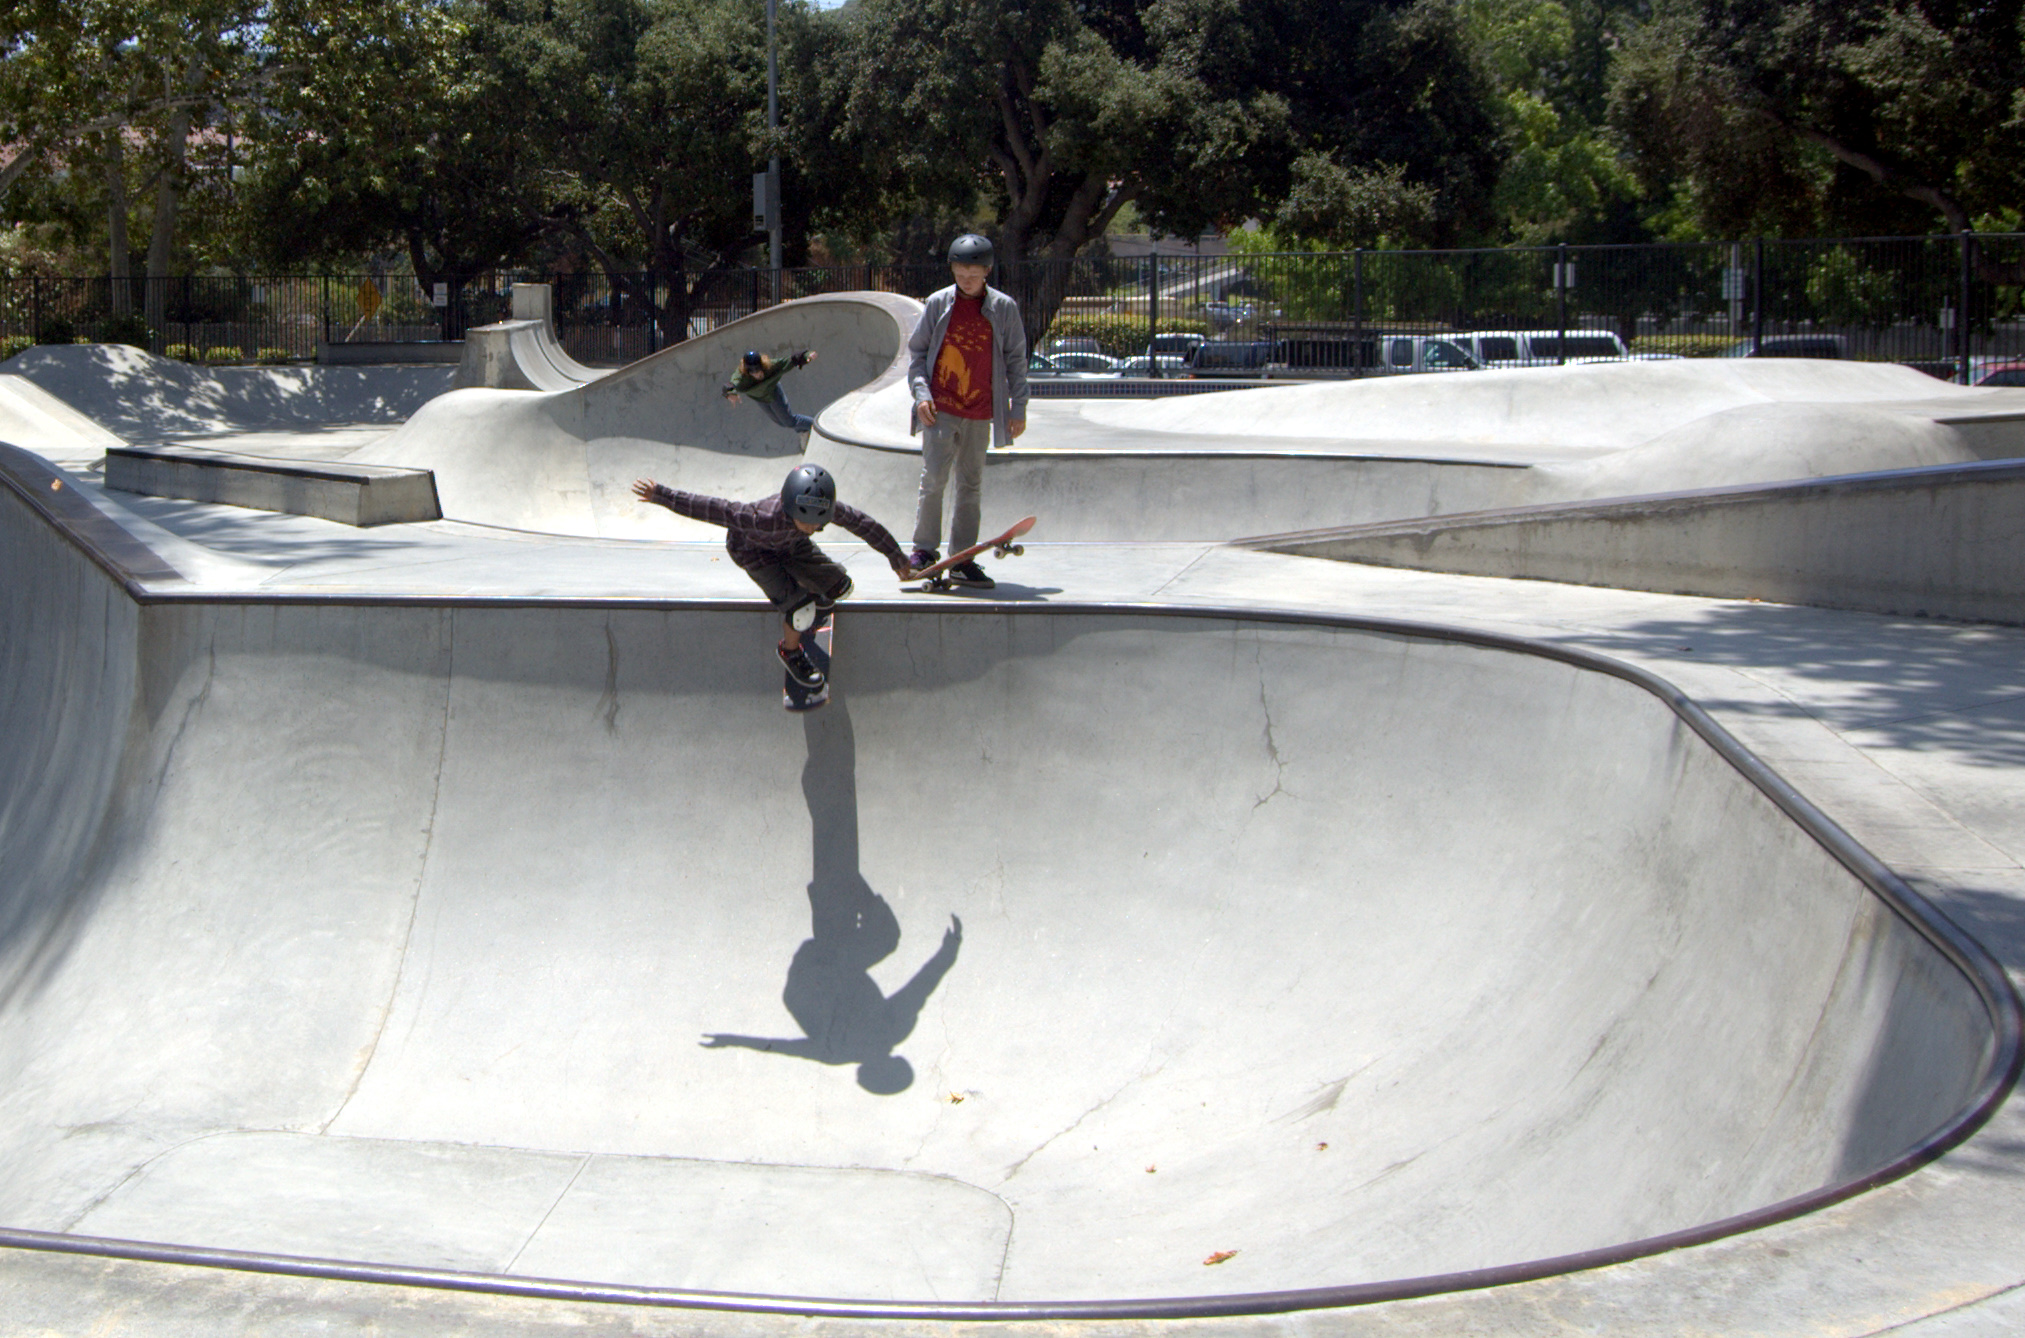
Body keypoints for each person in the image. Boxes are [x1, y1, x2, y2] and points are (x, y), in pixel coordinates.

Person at [631, 464, 915, 689]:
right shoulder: (759, 517)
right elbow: (712, 508)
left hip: (791, 547)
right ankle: (790, 652)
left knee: (841, 587)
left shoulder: (824, 510)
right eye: (806, 520)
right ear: (790, 509)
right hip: (752, 552)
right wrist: (662, 495)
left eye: (818, 521)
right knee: (800, 612)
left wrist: (896, 557)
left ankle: (807, 589)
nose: (813, 525)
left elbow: (864, 525)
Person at [906, 233, 1029, 588]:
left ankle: (962, 557)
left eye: (973, 274)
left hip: (980, 410)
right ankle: (925, 551)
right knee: (933, 479)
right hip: (940, 407)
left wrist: (1018, 406)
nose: (967, 280)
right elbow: (916, 356)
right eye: (960, 273)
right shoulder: (937, 303)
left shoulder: (1003, 308)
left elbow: (1016, 360)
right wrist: (921, 394)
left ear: (987, 271)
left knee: (970, 484)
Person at [725, 348, 819, 439]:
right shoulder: (741, 377)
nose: (757, 375)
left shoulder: (770, 366)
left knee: (789, 421)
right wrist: (730, 393)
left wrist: (807, 355)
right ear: (747, 371)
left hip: (773, 394)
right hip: (761, 399)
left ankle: (820, 428)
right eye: (753, 373)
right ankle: (804, 431)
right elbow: (731, 385)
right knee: (781, 423)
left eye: (759, 371)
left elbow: (790, 359)